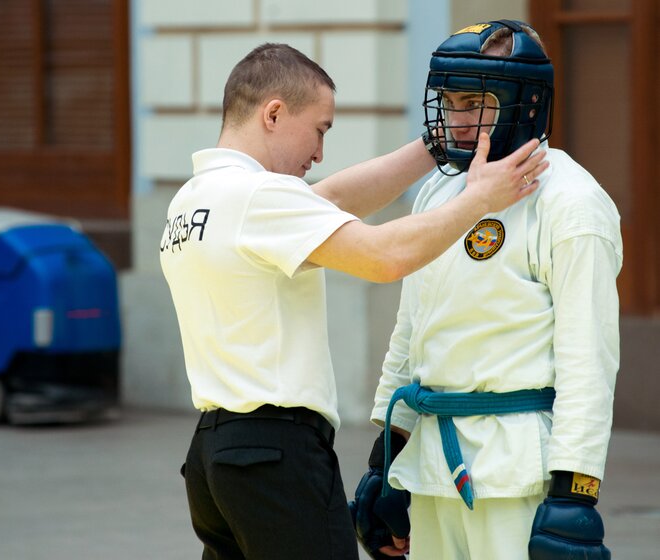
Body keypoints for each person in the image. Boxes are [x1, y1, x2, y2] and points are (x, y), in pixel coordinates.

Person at [159, 42, 547, 560]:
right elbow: (385, 258)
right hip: (275, 455)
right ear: (273, 114)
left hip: (215, 459)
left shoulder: (196, 198)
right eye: (320, 129)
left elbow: (334, 200)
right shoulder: (257, 198)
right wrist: (480, 199)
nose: (320, 153)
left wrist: (436, 145)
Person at [350, 20, 622, 560]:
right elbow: (410, 333)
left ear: (524, 101)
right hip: (430, 467)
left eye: (474, 103)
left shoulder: (570, 202)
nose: (456, 119)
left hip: (516, 473)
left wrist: (575, 491)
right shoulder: (440, 191)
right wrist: (386, 457)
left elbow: (588, 362)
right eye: (450, 102)